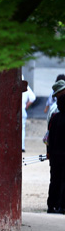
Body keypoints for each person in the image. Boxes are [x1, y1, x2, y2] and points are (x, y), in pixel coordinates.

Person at [47, 80, 65, 214]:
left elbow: (49, 137)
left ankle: (51, 205)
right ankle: (61, 205)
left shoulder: (54, 117)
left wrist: (48, 152)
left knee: (54, 180)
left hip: (55, 154)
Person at [21, 75, 36, 152]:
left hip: (16, 110)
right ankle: (22, 146)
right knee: (22, 128)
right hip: (22, 109)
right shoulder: (26, 88)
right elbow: (33, 97)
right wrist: (26, 106)